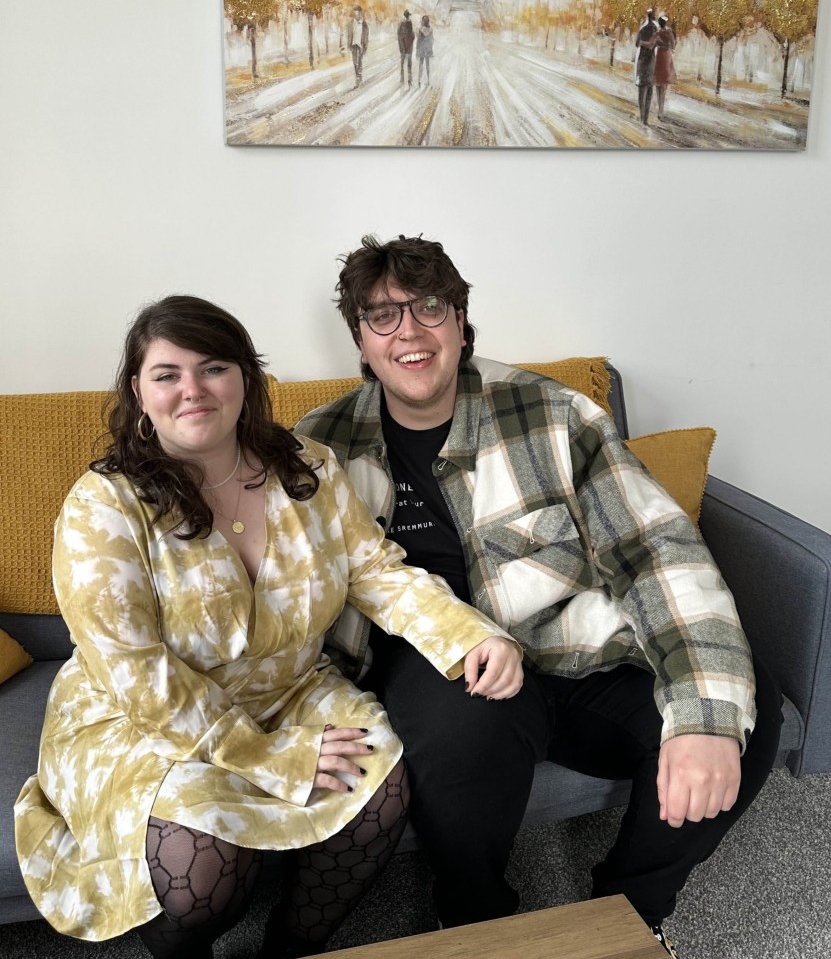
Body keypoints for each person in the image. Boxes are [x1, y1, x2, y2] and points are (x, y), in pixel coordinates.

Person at [296, 235, 784, 958]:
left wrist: (706, 711)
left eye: (430, 307)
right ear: (361, 343)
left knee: (746, 708)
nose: (410, 331)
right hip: (450, 672)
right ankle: (473, 918)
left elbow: (654, 553)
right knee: (460, 732)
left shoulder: (555, 415)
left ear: (461, 322)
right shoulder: (320, 447)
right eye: (383, 316)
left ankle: (626, 914)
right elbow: (291, 601)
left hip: (576, 653)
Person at [13, 295, 523, 959]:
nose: (192, 390)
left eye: (213, 368)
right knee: (198, 870)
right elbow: (137, 674)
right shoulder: (104, 504)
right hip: (143, 718)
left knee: (379, 781)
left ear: (245, 379)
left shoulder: (306, 468)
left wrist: (473, 634)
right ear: (139, 392)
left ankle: (292, 944)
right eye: (167, 375)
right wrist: (271, 759)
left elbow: (377, 571)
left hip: (290, 691)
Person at [635, 8, 659, 124]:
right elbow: (655, 44)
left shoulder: (642, 29)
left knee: (641, 90)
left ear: (647, 16)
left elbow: (636, 44)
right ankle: (645, 119)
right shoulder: (655, 29)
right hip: (651, 60)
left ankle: (641, 116)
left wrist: (643, 43)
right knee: (649, 89)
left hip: (642, 59)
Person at [653, 14, 677, 120]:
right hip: (666, 57)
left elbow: (652, 44)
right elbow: (673, 45)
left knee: (658, 85)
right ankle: (660, 111)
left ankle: (660, 110)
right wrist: (667, 46)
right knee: (663, 86)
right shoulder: (669, 32)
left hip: (659, 56)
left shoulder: (657, 33)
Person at [347, 4, 369, 88]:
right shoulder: (351, 23)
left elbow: (366, 35)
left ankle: (359, 78)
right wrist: (349, 44)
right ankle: (357, 76)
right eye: (355, 12)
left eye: (358, 12)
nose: (357, 13)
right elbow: (349, 35)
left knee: (359, 62)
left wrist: (365, 46)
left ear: (360, 13)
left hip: (360, 45)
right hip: (353, 45)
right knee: (354, 62)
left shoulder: (364, 23)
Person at [398, 10, 414, 87]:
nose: (408, 17)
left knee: (407, 63)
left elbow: (411, 34)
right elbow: (400, 36)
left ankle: (407, 79)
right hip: (405, 47)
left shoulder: (408, 23)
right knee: (405, 63)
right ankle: (405, 78)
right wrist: (402, 47)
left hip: (407, 47)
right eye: (408, 15)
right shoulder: (403, 23)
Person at [416, 15, 434, 87]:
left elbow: (419, 40)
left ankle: (419, 80)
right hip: (428, 49)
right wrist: (430, 47)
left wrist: (417, 49)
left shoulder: (420, 29)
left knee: (421, 64)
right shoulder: (431, 29)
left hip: (422, 49)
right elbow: (432, 39)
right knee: (427, 65)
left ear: (423, 21)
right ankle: (428, 80)